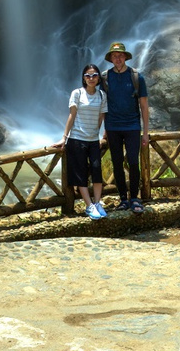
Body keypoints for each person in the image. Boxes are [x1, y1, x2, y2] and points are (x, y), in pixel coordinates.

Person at [100, 41, 149, 212]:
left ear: (125, 57)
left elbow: (144, 106)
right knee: (117, 163)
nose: (118, 58)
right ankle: (123, 199)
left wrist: (145, 133)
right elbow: (103, 105)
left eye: (120, 55)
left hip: (132, 126)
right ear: (111, 58)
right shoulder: (105, 78)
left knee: (134, 162)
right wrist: (103, 130)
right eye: (115, 56)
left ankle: (134, 198)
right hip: (113, 127)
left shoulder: (136, 77)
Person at [62, 63, 109, 219]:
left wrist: (101, 134)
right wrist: (64, 137)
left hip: (93, 139)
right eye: (88, 75)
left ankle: (97, 203)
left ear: (98, 78)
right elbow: (72, 115)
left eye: (94, 75)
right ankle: (89, 206)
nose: (91, 78)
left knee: (96, 170)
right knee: (80, 173)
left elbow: (102, 117)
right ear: (83, 78)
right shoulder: (77, 93)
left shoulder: (102, 95)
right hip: (77, 139)